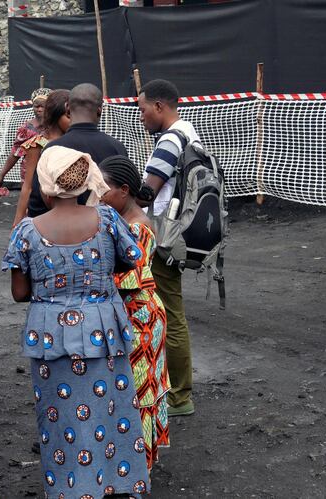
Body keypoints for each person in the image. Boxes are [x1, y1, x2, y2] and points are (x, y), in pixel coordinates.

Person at [2, 145, 150, 498]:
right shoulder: (108, 220)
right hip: (103, 330)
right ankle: (117, 483)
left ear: (46, 184)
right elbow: (132, 258)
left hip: (52, 338)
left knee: (60, 418)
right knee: (110, 412)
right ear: (85, 181)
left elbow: (20, 293)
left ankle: (70, 488)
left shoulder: (27, 231)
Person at [100, 155, 170, 470]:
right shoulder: (127, 221)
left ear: (124, 190)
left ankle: (138, 467)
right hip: (138, 313)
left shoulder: (135, 228)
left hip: (140, 316)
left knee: (139, 389)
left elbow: (125, 280)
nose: (98, 195)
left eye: (104, 189)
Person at [136, 79, 199, 418]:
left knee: (170, 314)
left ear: (160, 106)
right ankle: (177, 389)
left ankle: (179, 396)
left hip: (163, 236)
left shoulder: (171, 139)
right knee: (172, 311)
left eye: (144, 108)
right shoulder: (190, 133)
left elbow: (147, 192)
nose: (141, 115)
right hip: (182, 234)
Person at [28, 83, 128, 218]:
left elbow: (37, 204)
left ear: (67, 109)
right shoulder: (117, 147)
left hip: (60, 230)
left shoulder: (52, 149)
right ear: (100, 110)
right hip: (104, 230)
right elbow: (126, 197)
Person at [10, 89, 70, 227]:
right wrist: (17, 222)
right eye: (69, 115)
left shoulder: (73, 140)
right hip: (41, 210)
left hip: (68, 209)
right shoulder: (40, 142)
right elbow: (28, 185)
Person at [0, 87, 51, 189]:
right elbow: (16, 153)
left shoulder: (56, 126)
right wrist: (1, 175)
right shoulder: (26, 129)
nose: (39, 109)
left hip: (50, 173)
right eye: (36, 106)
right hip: (30, 175)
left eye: (43, 106)